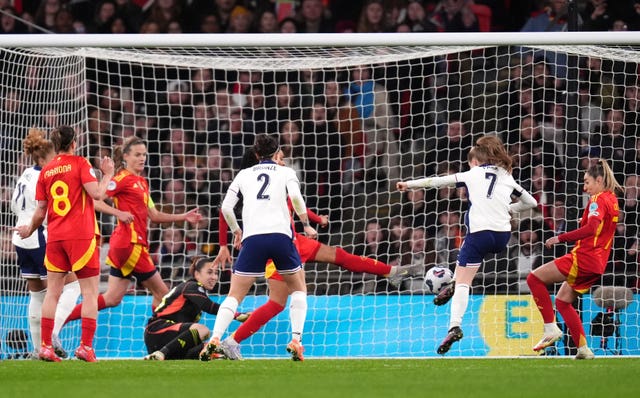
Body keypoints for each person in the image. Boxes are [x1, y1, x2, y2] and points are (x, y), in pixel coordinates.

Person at [206, 148, 408, 360]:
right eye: (281, 158)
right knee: (277, 302)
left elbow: (293, 202)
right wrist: (224, 243)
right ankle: (234, 341)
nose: (284, 162)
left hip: (293, 242)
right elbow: (226, 210)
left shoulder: (263, 178)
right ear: (268, 157)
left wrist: (316, 219)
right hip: (280, 246)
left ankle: (390, 272)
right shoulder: (263, 179)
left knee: (338, 256)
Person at [396, 135, 537, 355]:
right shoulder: (507, 175)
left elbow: (437, 181)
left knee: (464, 282)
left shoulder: (471, 174)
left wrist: (408, 185)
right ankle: (453, 281)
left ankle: (454, 325)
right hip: (503, 237)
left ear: (476, 161)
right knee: (465, 266)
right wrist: (510, 209)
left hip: (479, 235)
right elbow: (532, 203)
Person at [199, 134, 317, 362]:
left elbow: (226, 207)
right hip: (281, 238)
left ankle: (214, 339)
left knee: (234, 295)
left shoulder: (244, 174)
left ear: (256, 154)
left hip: (252, 240)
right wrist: (306, 224)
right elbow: (295, 196)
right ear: (277, 152)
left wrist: (236, 231)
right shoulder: (286, 172)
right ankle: (296, 341)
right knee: (299, 289)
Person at [63, 136, 202, 324]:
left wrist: (183, 217)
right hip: (130, 244)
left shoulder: (142, 183)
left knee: (112, 298)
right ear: (126, 157)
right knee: (163, 294)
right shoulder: (121, 179)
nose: (142, 158)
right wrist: (117, 212)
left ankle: (62, 318)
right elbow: (95, 200)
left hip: (128, 245)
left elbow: (154, 215)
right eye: (137, 154)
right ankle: (159, 337)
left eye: (144, 154)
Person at [15, 125, 115, 362]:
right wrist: (108, 173)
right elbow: (97, 194)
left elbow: (41, 210)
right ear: (74, 143)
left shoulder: (47, 171)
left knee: (52, 294)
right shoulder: (80, 163)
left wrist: (29, 229)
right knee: (89, 292)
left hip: (55, 237)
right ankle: (85, 347)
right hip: (80, 236)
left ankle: (46, 346)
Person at [526, 159, 622, 360]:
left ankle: (550, 329)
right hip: (597, 264)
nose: (584, 187)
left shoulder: (597, 200)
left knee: (533, 279)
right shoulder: (612, 199)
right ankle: (583, 349)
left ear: (599, 180)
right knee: (562, 302)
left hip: (583, 258)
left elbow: (592, 228)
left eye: (587, 182)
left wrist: (559, 237)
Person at [11, 128, 81, 359]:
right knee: (73, 286)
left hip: (20, 238)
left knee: (37, 295)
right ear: (42, 158)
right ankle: (51, 334)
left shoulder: (25, 175)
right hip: (39, 236)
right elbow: (46, 209)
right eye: (53, 157)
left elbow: (14, 206)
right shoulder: (46, 176)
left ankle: (36, 349)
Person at [143, 256, 249, 360]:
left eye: (216, 273)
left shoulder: (196, 292)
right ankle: (160, 354)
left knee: (209, 349)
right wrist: (237, 315)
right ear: (197, 274)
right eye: (209, 272)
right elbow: (209, 306)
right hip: (157, 331)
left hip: (169, 339)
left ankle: (162, 355)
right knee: (203, 330)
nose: (214, 277)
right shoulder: (191, 286)